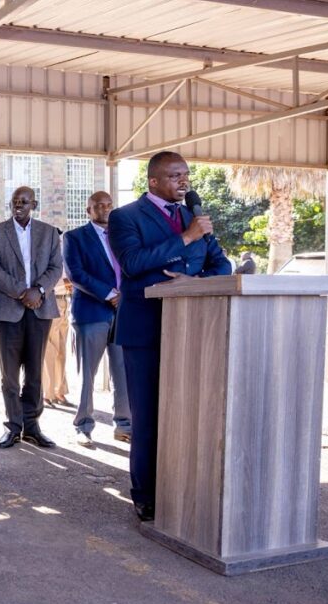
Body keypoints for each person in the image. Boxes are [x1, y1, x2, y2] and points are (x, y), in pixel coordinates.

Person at [108, 151, 231, 522]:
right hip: (145, 328)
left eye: (187, 174)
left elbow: (220, 264)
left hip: (193, 329)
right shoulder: (124, 217)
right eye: (176, 175)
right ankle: (145, 494)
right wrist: (186, 237)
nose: (184, 182)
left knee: (188, 413)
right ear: (154, 181)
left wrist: (197, 282)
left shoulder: (194, 217)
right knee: (147, 416)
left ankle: (182, 488)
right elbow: (132, 263)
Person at [0, 186, 64, 450]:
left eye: (24, 201)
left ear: (34, 204)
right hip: (9, 309)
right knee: (9, 375)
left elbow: (56, 267)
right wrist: (22, 292)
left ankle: (32, 426)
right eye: (15, 201)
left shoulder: (49, 233)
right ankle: (12, 426)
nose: (19, 205)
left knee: (35, 372)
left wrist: (39, 290)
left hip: (41, 308)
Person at [62, 191, 131, 447]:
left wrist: (125, 295)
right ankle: (83, 426)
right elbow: (76, 274)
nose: (104, 209)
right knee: (87, 375)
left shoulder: (123, 237)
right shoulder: (74, 237)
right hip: (91, 313)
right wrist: (110, 294)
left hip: (124, 312)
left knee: (123, 372)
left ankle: (124, 425)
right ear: (88, 210)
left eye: (108, 205)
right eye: (98, 206)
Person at [41, 273, 73, 408]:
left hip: (65, 301)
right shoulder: (48, 252)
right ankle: (47, 394)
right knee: (49, 351)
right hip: (50, 300)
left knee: (61, 351)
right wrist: (65, 282)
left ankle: (59, 391)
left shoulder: (65, 252)